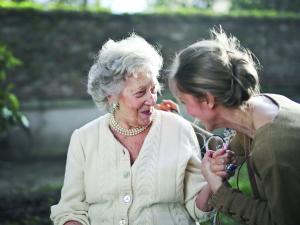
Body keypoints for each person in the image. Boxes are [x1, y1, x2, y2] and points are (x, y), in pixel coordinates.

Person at [50, 34, 231, 225]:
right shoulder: (84, 139)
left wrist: (212, 180)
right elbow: (70, 210)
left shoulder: (178, 129)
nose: (152, 99)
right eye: (140, 92)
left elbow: (198, 210)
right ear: (111, 96)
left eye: (153, 89)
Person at [168, 27, 300, 225]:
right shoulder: (263, 106)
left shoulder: (273, 148)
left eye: (185, 102)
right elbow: (237, 151)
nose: (188, 111)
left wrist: (220, 192)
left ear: (207, 100)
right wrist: (223, 161)